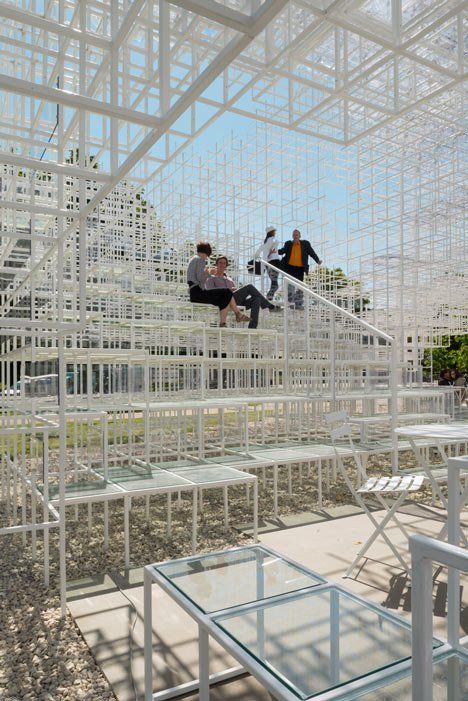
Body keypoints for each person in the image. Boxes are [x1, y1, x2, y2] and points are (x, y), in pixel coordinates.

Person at [205, 256, 281, 329]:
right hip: (223, 301)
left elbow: (235, 292)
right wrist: (227, 290)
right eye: (220, 263)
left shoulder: (229, 279)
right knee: (249, 287)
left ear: (226, 265)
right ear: (216, 264)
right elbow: (209, 291)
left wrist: (233, 290)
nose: (222, 265)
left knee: (257, 299)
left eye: (224, 263)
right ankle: (269, 306)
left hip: (235, 302)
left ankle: (252, 328)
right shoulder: (211, 278)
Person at [187, 242, 250, 327]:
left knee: (225, 297)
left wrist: (206, 272)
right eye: (207, 256)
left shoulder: (193, 259)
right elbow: (200, 278)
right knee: (227, 292)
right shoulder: (200, 259)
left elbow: (197, 278)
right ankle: (238, 314)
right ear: (206, 252)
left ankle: (223, 323)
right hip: (198, 293)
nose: (206, 258)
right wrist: (209, 273)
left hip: (194, 293)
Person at [279, 229, 322, 309]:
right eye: (294, 235)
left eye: (297, 235)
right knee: (290, 286)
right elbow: (282, 251)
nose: (295, 236)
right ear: (292, 236)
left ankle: (298, 304)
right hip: (289, 268)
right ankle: (290, 303)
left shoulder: (305, 244)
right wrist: (275, 251)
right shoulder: (288, 243)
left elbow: (311, 253)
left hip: (300, 269)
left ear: (299, 236)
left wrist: (317, 260)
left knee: (300, 286)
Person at [255, 225, 281, 301]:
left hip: (267, 263)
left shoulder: (264, 242)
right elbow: (273, 244)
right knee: (275, 283)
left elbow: (257, 253)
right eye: (274, 231)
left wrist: (262, 258)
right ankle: (268, 297)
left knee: (274, 282)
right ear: (272, 232)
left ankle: (269, 297)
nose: (275, 232)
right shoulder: (273, 240)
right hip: (274, 262)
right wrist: (271, 251)